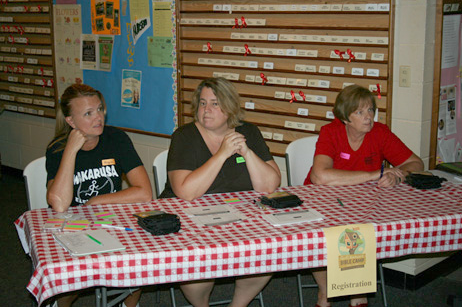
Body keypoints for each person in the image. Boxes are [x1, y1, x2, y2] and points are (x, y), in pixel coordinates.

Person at [161, 77, 281, 307]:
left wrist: (246, 152)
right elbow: (185, 192)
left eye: (215, 104)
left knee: (265, 255)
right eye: (202, 103)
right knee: (197, 272)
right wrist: (222, 154)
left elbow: (269, 186)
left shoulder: (249, 132)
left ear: (230, 107)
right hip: (190, 218)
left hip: (239, 217)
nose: (206, 110)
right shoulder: (184, 136)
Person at [305, 84, 424, 307]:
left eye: (370, 110)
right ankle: (325, 291)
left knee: (361, 231)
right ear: (344, 117)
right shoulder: (330, 132)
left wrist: (399, 175)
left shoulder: (380, 132)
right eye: (360, 112)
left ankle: (357, 295)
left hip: (363, 203)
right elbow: (320, 177)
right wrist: (374, 174)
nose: (368, 117)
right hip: (324, 199)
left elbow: (416, 163)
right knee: (321, 237)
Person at [46, 84, 152, 307]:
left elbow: (144, 193)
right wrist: (70, 151)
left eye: (100, 109)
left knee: (139, 260)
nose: (98, 117)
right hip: (72, 226)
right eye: (88, 113)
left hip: (111, 220)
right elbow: (58, 204)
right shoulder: (57, 149)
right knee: (71, 279)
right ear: (70, 121)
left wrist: (96, 201)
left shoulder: (117, 139)